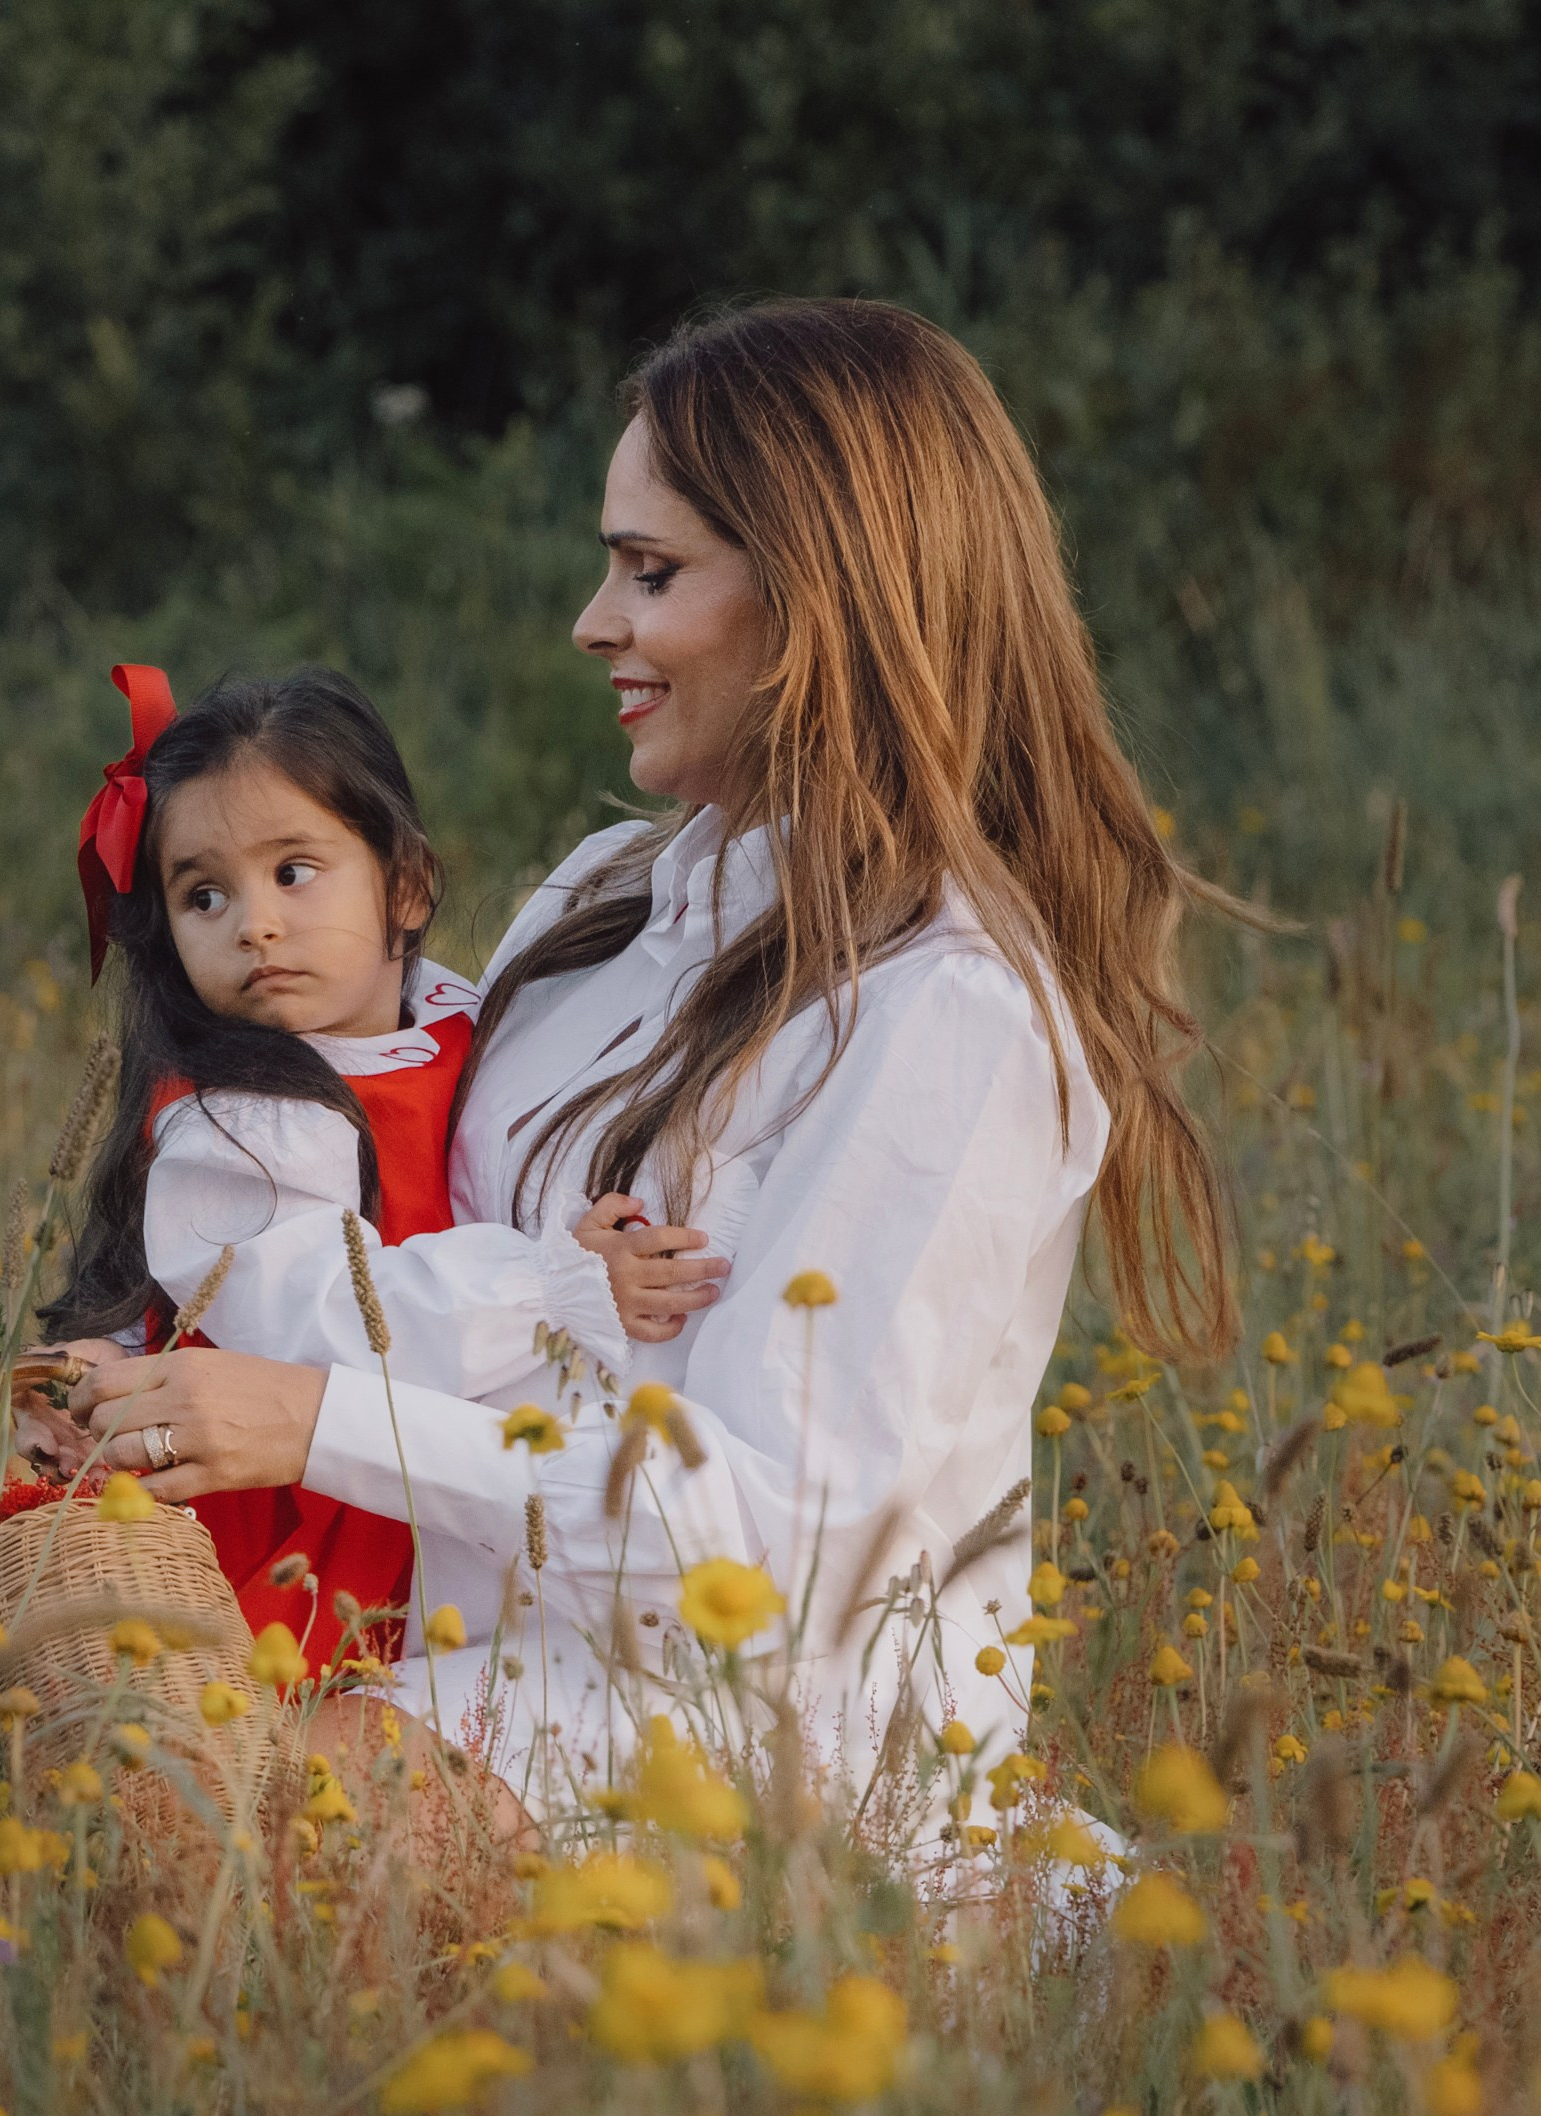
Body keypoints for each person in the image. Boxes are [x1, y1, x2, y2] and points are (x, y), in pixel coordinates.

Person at [67, 299, 1236, 1813]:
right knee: (87, 1796)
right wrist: (123, 1354)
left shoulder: (949, 1009)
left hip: (737, 1745)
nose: (593, 622)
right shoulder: (596, 904)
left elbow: (788, 1544)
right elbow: (354, 1197)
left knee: (242, 1843)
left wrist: (314, 1423)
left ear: (822, 597)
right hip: (436, 1644)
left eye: (651, 571)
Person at [44, 666, 726, 1676]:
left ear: (404, 887)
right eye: (204, 895)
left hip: (423, 1472)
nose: (254, 924)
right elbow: (327, 1320)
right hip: (298, 1502)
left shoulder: (449, 1014)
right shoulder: (240, 1123)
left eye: (293, 871)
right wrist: (554, 1287)